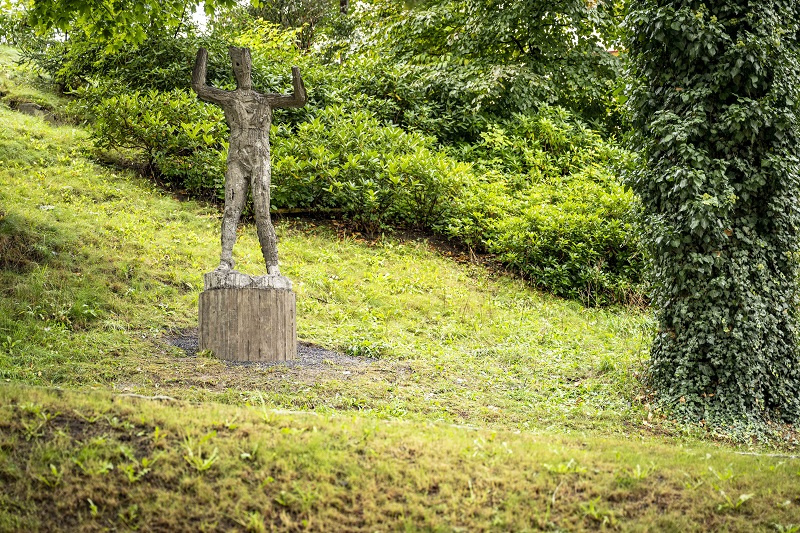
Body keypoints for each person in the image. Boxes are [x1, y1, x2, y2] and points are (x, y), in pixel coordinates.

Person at [192, 46, 306, 276]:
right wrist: (203, 54)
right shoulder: (230, 98)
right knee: (231, 209)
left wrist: (296, 74)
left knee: (263, 211)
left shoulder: (264, 100)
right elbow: (199, 87)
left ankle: (273, 267)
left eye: (245, 64)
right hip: (237, 157)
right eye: (237, 64)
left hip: (260, 157)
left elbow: (298, 99)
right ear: (233, 68)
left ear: (251, 66)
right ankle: (225, 261)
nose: (242, 69)